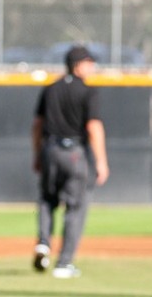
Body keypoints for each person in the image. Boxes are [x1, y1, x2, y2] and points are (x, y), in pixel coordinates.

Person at [33, 44, 108, 279]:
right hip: (74, 152)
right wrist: (101, 161)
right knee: (75, 208)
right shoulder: (87, 91)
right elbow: (93, 127)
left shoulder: (50, 89)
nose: (92, 67)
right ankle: (64, 263)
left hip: (49, 149)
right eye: (89, 62)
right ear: (78, 65)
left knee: (47, 199)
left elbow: (37, 125)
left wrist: (37, 154)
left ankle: (43, 242)